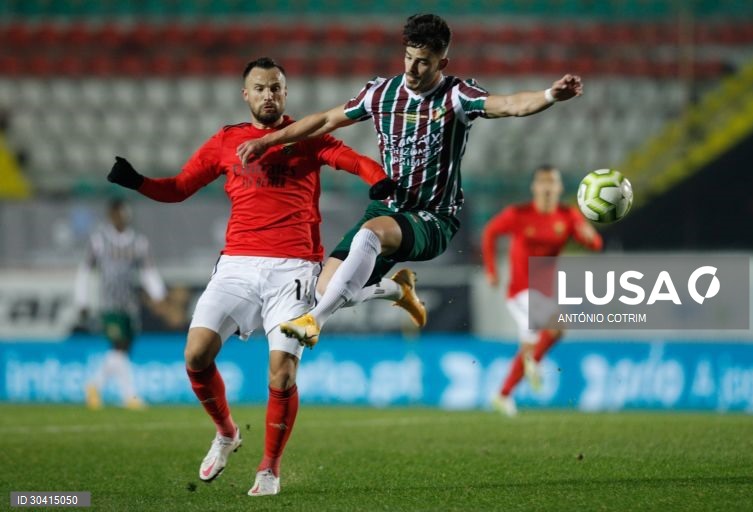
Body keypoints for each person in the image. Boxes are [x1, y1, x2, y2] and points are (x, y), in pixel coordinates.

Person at [104, 57, 404, 496]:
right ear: (246, 94)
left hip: (295, 267)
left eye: (276, 88)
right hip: (237, 266)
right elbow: (180, 187)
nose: (269, 95)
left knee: (281, 374)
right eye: (261, 88)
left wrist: (378, 180)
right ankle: (227, 433)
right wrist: (138, 182)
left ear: (285, 93)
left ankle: (269, 468)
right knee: (195, 355)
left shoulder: (306, 136)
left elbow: (353, 159)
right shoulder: (227, 141)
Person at [235, 13, 584, 348]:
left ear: (441, 64)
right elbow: (326, 120)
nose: (412, 69)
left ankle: (314, 322)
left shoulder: (457, 96)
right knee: (330, 289)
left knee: (369, 237)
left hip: (433, 218)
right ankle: (399, 289)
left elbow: (509, 104)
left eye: (423, 62)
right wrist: (268, 140)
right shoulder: (381, 93)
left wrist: (550, 95)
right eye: (408, 57)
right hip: (388, 209)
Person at [482, 165, 603, 416]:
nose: (547, 187)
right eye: (542, 182)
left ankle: (503, 395)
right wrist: (491, 270)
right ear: (534, 187)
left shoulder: (568, 216)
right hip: (519, 291)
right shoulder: (518, 214)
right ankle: (533, 363)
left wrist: (591, 237)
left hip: (543, 293)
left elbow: (595, 244)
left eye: (552, 182)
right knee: (558, 324)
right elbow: (490, 232)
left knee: (530, 347)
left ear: (559, 188)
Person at [76, 198, 167, 410]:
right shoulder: (99, 240)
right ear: (110, 215)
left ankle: (94, 385)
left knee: (123, 350)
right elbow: (85, 271)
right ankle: (130, 396)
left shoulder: (138, 242)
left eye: (123, 213)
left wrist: (159, 294)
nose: (120, 217)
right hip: (109, 303)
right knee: (118, 346)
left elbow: (148, 271)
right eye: (116, 213)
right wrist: (82, 299)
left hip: (129, 304)